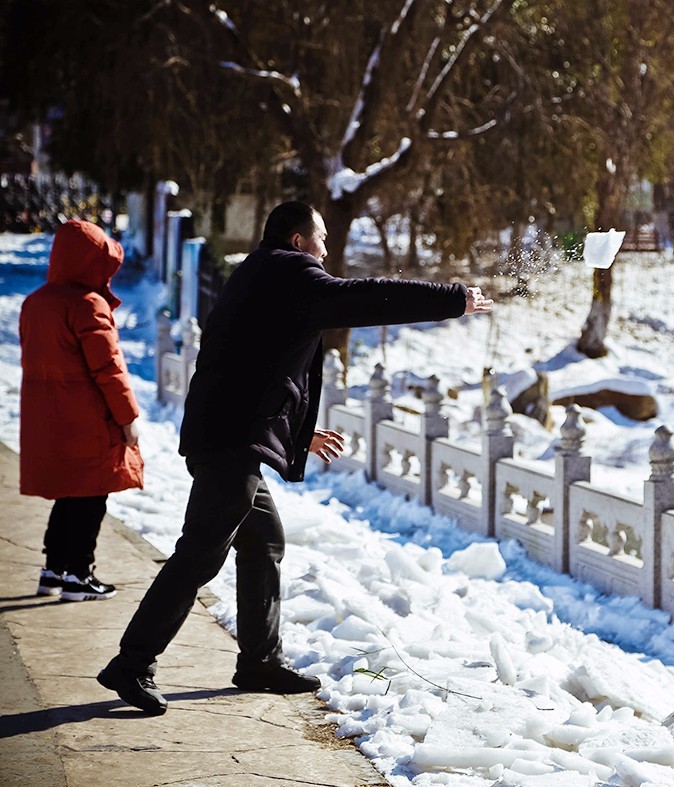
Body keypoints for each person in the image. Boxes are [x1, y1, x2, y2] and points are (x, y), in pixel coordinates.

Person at [98, 201, 492, 715]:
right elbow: (366, 299)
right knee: (200, 553)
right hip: (230, 442)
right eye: (321, 239)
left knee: (264, 542)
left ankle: (259, 662)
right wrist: (452, 298)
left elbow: (252, 366)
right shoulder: (290, 272)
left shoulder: (260, 276)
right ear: (298, 239)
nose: (327, 249)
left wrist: (294, 435)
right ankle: (131, 663)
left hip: (227, 434)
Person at [19, 219, 144, 601]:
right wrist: (128, 418)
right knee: (91, 496)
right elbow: (109, 369)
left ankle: (53, 570)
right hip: (88, 420)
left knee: (68, 495)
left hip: (48, 418)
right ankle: (79, 574)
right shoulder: (89, 306)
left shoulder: (35, 302)